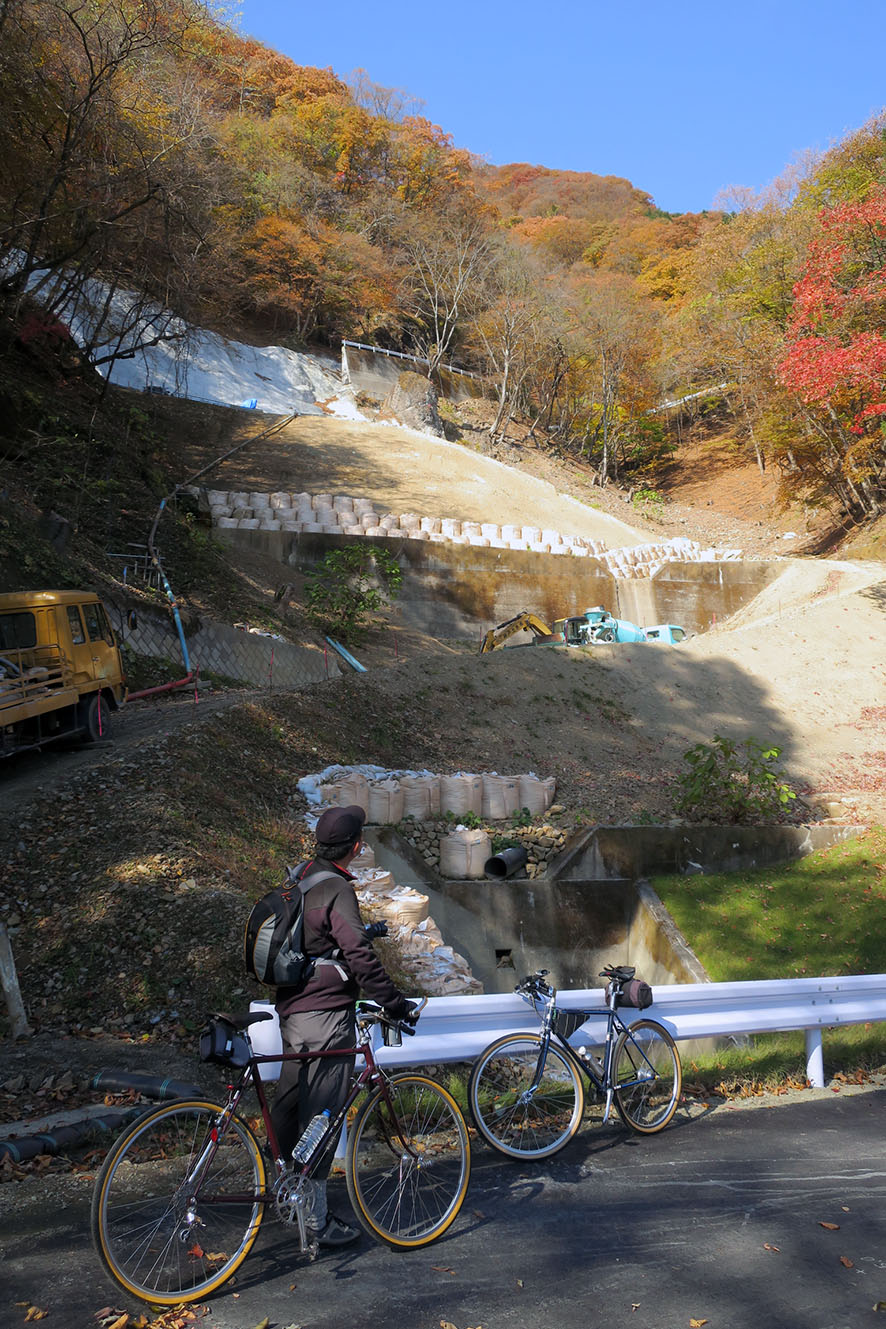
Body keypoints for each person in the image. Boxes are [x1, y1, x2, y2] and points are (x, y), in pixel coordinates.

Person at [270, 803, 417, 1247]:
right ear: (356, 847)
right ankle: (314, 1221)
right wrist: (393, 1002)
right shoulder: (337, 888)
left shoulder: (300, 877)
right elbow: (358, 956)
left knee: (291, 1106)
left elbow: (311, 938)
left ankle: (283, 1187)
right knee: (322, 1117)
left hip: (293, 1010)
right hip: (327, 1016)